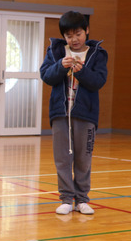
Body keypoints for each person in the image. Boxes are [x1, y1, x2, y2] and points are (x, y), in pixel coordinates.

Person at [40, 11, 108, 215]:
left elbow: (98, 82)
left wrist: (82, 71)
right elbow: (46, 76)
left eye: (78, 33)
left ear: (86, 30)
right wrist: (60, 66)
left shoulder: (98, 53)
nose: (74, 39)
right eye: (69, 35)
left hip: (86, 115)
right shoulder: (55, 51)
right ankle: (66, 199)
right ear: (64, 37)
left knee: (83, 158)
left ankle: (82, 199)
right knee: (62, 158)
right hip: (60, 114)